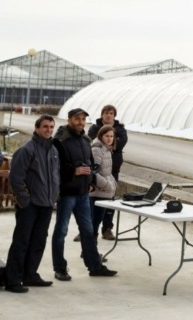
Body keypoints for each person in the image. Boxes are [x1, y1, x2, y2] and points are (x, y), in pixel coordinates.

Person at [52, 108, 117, 281]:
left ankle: (95, 266)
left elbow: (90, 164)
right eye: (77, 119)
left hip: (82, 193)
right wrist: (74, 171)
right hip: (66, 194)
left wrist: (89, 181)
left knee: (88, 232)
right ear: (69, 120)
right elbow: (55, 168)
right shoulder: (60, 140)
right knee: (61, 232)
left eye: (82, 119)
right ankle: (60, 268)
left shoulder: (85, 140)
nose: (80, 122)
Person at [4, 115, 60, 293]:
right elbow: (16, 178)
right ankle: (12, 280)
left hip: (46, 204)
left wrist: (53, 198)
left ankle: (30, 274)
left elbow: (55, 177)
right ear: (37, 128)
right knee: (21, 242)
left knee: (38, 241)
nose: (49, 130)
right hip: (30, 206)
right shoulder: (27, 150)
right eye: (45, 127)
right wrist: (24, 202)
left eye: (51, 127)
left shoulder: (53, 150)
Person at [87, 105, 128, 240]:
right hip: (102, 181)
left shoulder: (120, 129)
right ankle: (88, 235)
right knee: (94, 210)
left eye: (111, 113)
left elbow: (122, 142)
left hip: (112, 172)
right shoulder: (97, 143)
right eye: (106, 113)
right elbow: (94, 171)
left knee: (109, 205)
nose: (108, 115)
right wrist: (107, 184)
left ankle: (107, 228)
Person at [90, 126, 117, 239]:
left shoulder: (107, 149)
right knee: (94, 224)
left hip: (105, 192)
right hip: (98, 193)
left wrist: (113, 183)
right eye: (107, 136)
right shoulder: (97, 149)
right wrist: (108, 185)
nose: (109, 138)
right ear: (101, 136)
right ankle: (89, 252)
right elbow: (94, 173)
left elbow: (106, 172)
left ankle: (91, 252)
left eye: (111, 136)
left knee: (96, 222)